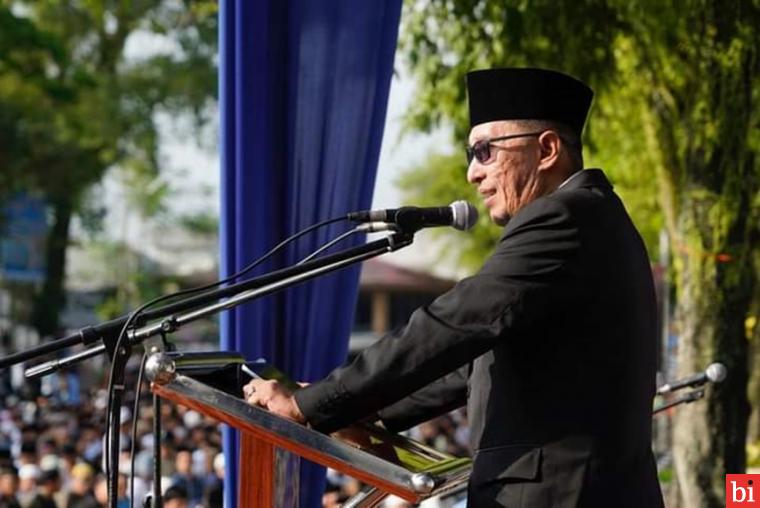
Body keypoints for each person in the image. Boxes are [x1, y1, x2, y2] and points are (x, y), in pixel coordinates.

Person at [244, 68, 665, 507]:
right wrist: (362, 410)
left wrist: (310, 405)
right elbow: (473, 363)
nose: (472, 173)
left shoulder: (565, 218)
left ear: (546, 149)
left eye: (485, 151)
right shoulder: (591, 216)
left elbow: (456, 322)